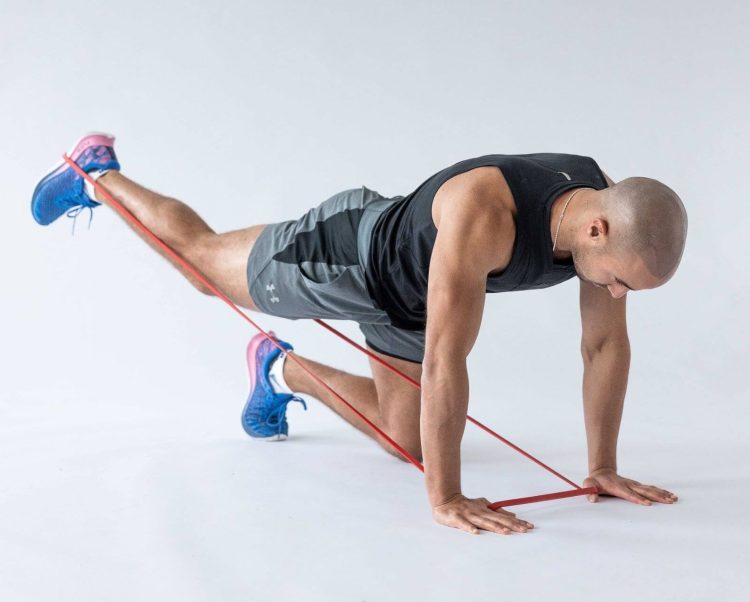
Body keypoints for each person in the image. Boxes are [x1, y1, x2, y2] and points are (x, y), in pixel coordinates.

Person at [31, 132, 686, 536]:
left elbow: (604, 346)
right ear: (596, 229)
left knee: (409, 443)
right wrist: (448, 499)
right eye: (621, 281)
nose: (616, 294)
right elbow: (445, 359)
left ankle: (275, 370)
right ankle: (95, 172)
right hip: (347, 254)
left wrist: (602, 469)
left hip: (411, 301)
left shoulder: (607, 209)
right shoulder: (485, 213)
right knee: (202, 265)